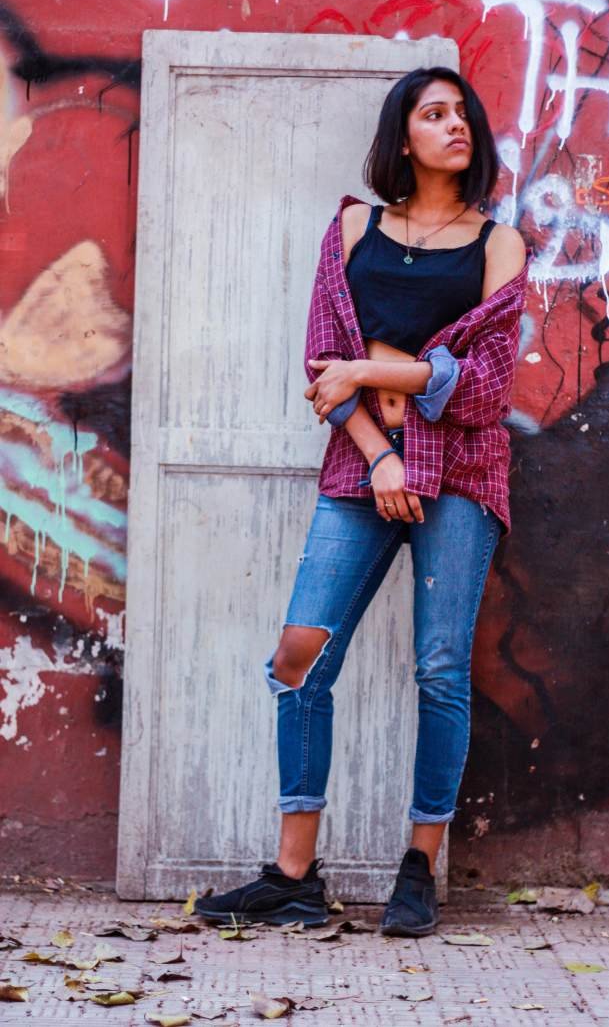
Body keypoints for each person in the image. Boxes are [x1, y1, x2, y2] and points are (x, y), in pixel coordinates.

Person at [195, 66, 531, 937]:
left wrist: (374, 369)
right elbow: (320, 365)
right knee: (299, 659)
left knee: (440, 668)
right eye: (434, 113)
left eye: (463, 114)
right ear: (403, 135)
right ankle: (294, 874)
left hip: (461, 474)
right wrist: (380, 454)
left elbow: (487, 390)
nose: (455, 125)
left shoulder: (500, 242)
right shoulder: (352, 228)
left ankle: (418, 866)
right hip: (361, 468)